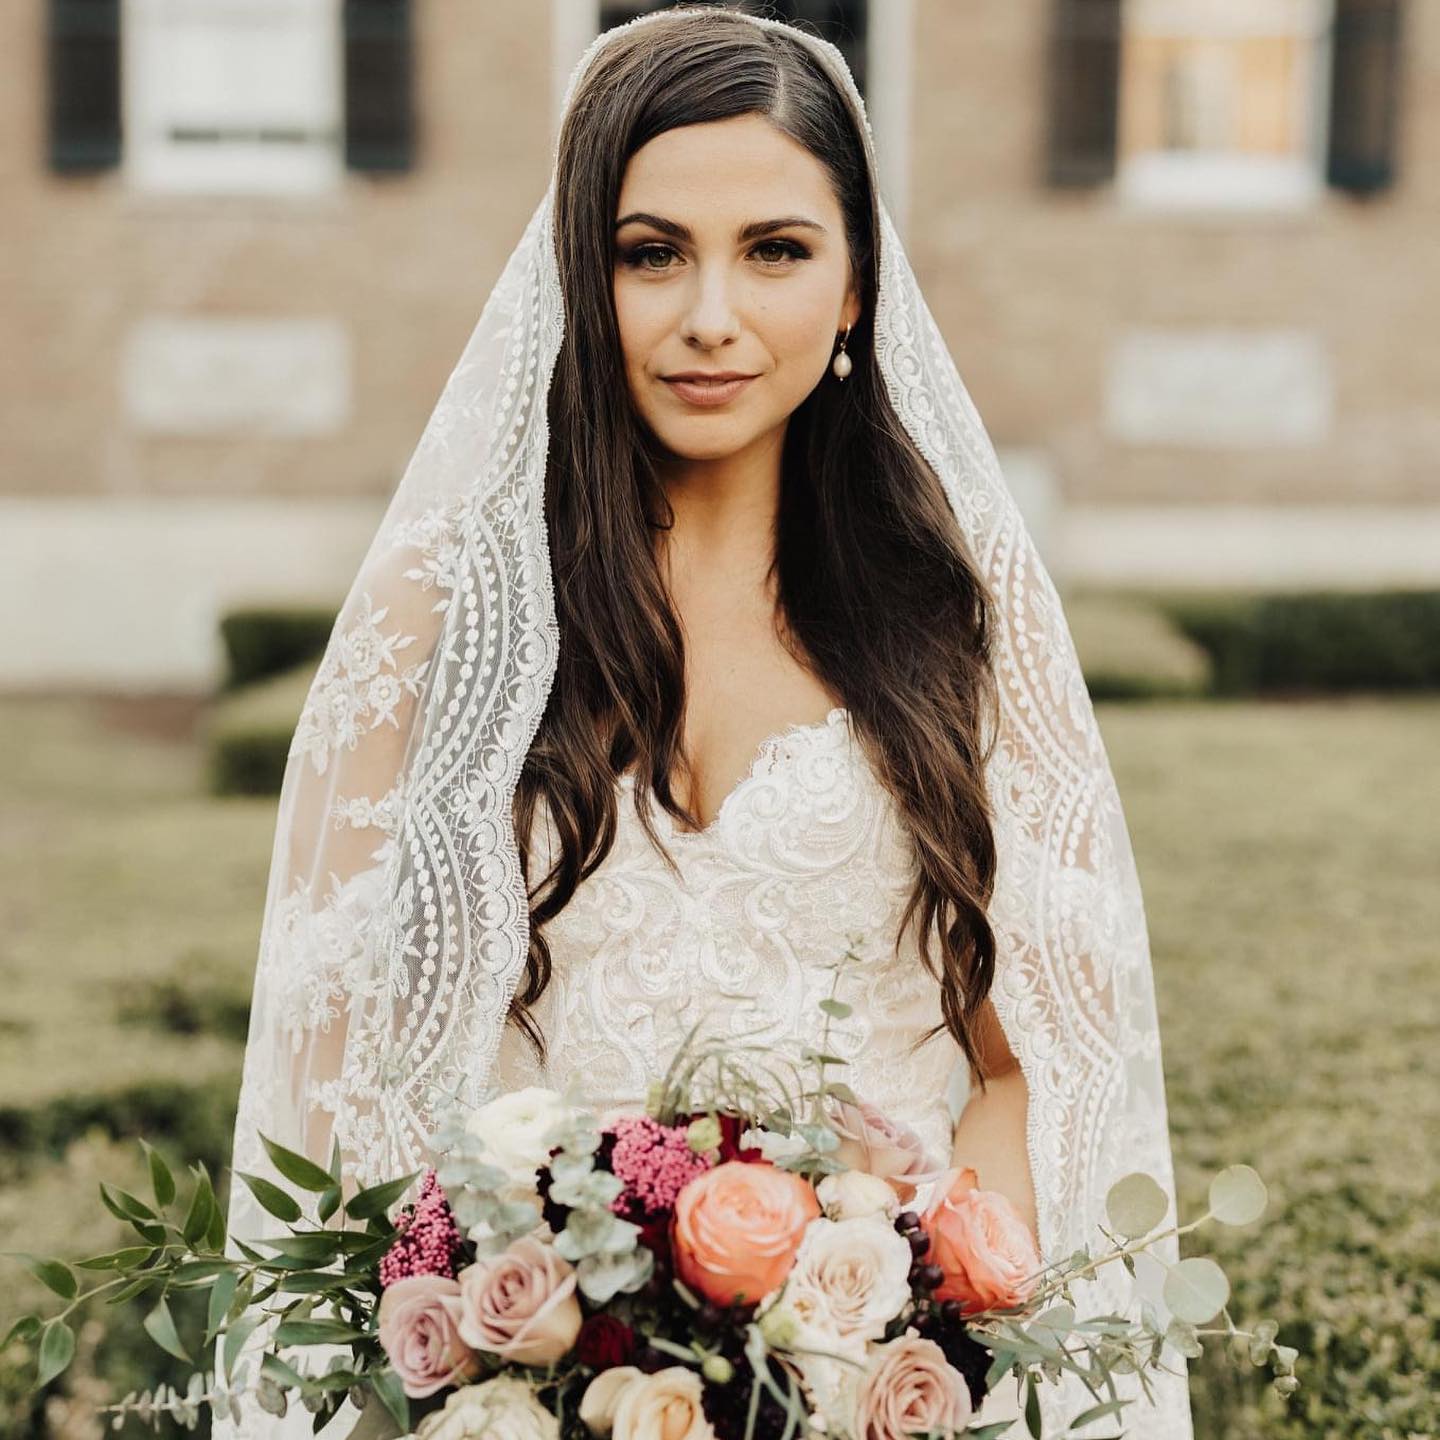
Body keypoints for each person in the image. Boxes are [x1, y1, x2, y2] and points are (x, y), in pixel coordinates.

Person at [214, 9, 1193, 1437]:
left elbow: (1029, 1063)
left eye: (777, 251)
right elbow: (338, 1083)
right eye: (650, 250)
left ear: (858, 284)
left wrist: (894, 1323)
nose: (711, 317)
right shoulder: (445, 620)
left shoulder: (952, 623)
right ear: (578, 275)